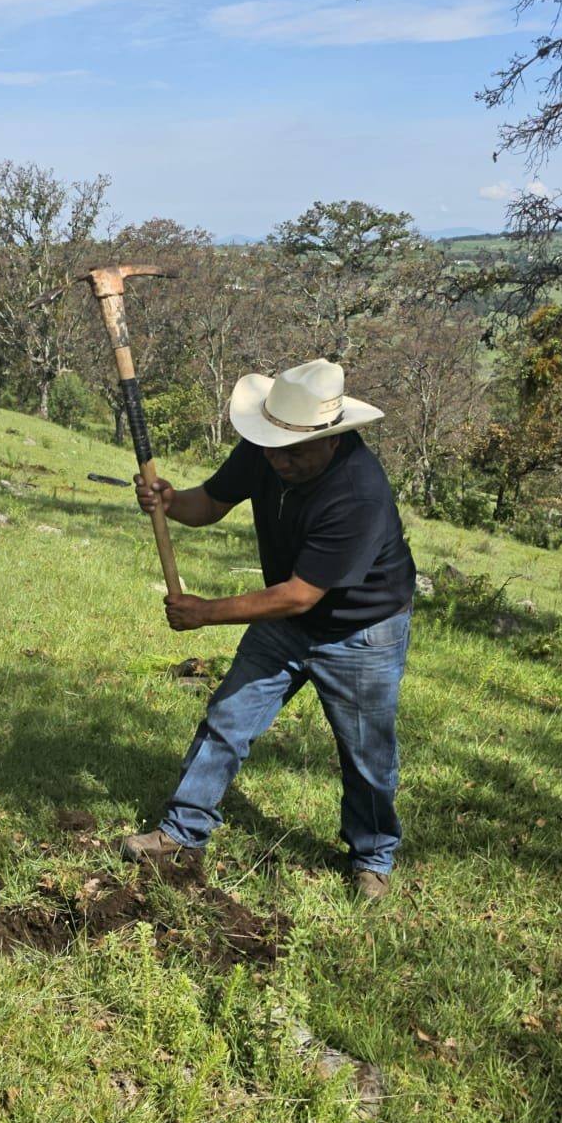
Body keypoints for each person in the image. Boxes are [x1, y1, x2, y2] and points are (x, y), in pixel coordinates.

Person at [122, 357, 416, 901]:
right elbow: (209, 502)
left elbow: (300, 595)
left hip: (360, 632)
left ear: (331, 438)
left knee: (366, 752)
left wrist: (204, 611)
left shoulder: (359, 491)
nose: (281, 461)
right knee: (228, 718)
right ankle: (182, 833)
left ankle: (372, 857)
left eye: (296, 452)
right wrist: (170, 500)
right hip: (285, 623)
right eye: (274, 448)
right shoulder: (269, 447)